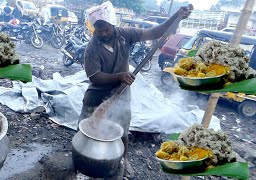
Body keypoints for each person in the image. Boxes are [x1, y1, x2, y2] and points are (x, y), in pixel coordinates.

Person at [79, 1, 193, 178]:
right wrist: (119, 76)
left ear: (113, 24)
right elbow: (95, 77)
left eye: (106, 29)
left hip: (122, 92)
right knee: (87, 127)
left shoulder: (124, 34)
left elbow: (156, 32)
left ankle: (123, 159)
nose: (102, 33)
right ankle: (83, 158)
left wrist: (176, 17)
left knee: (122, 128)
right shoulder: (91, 48)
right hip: (98, 93)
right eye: (98, 30)